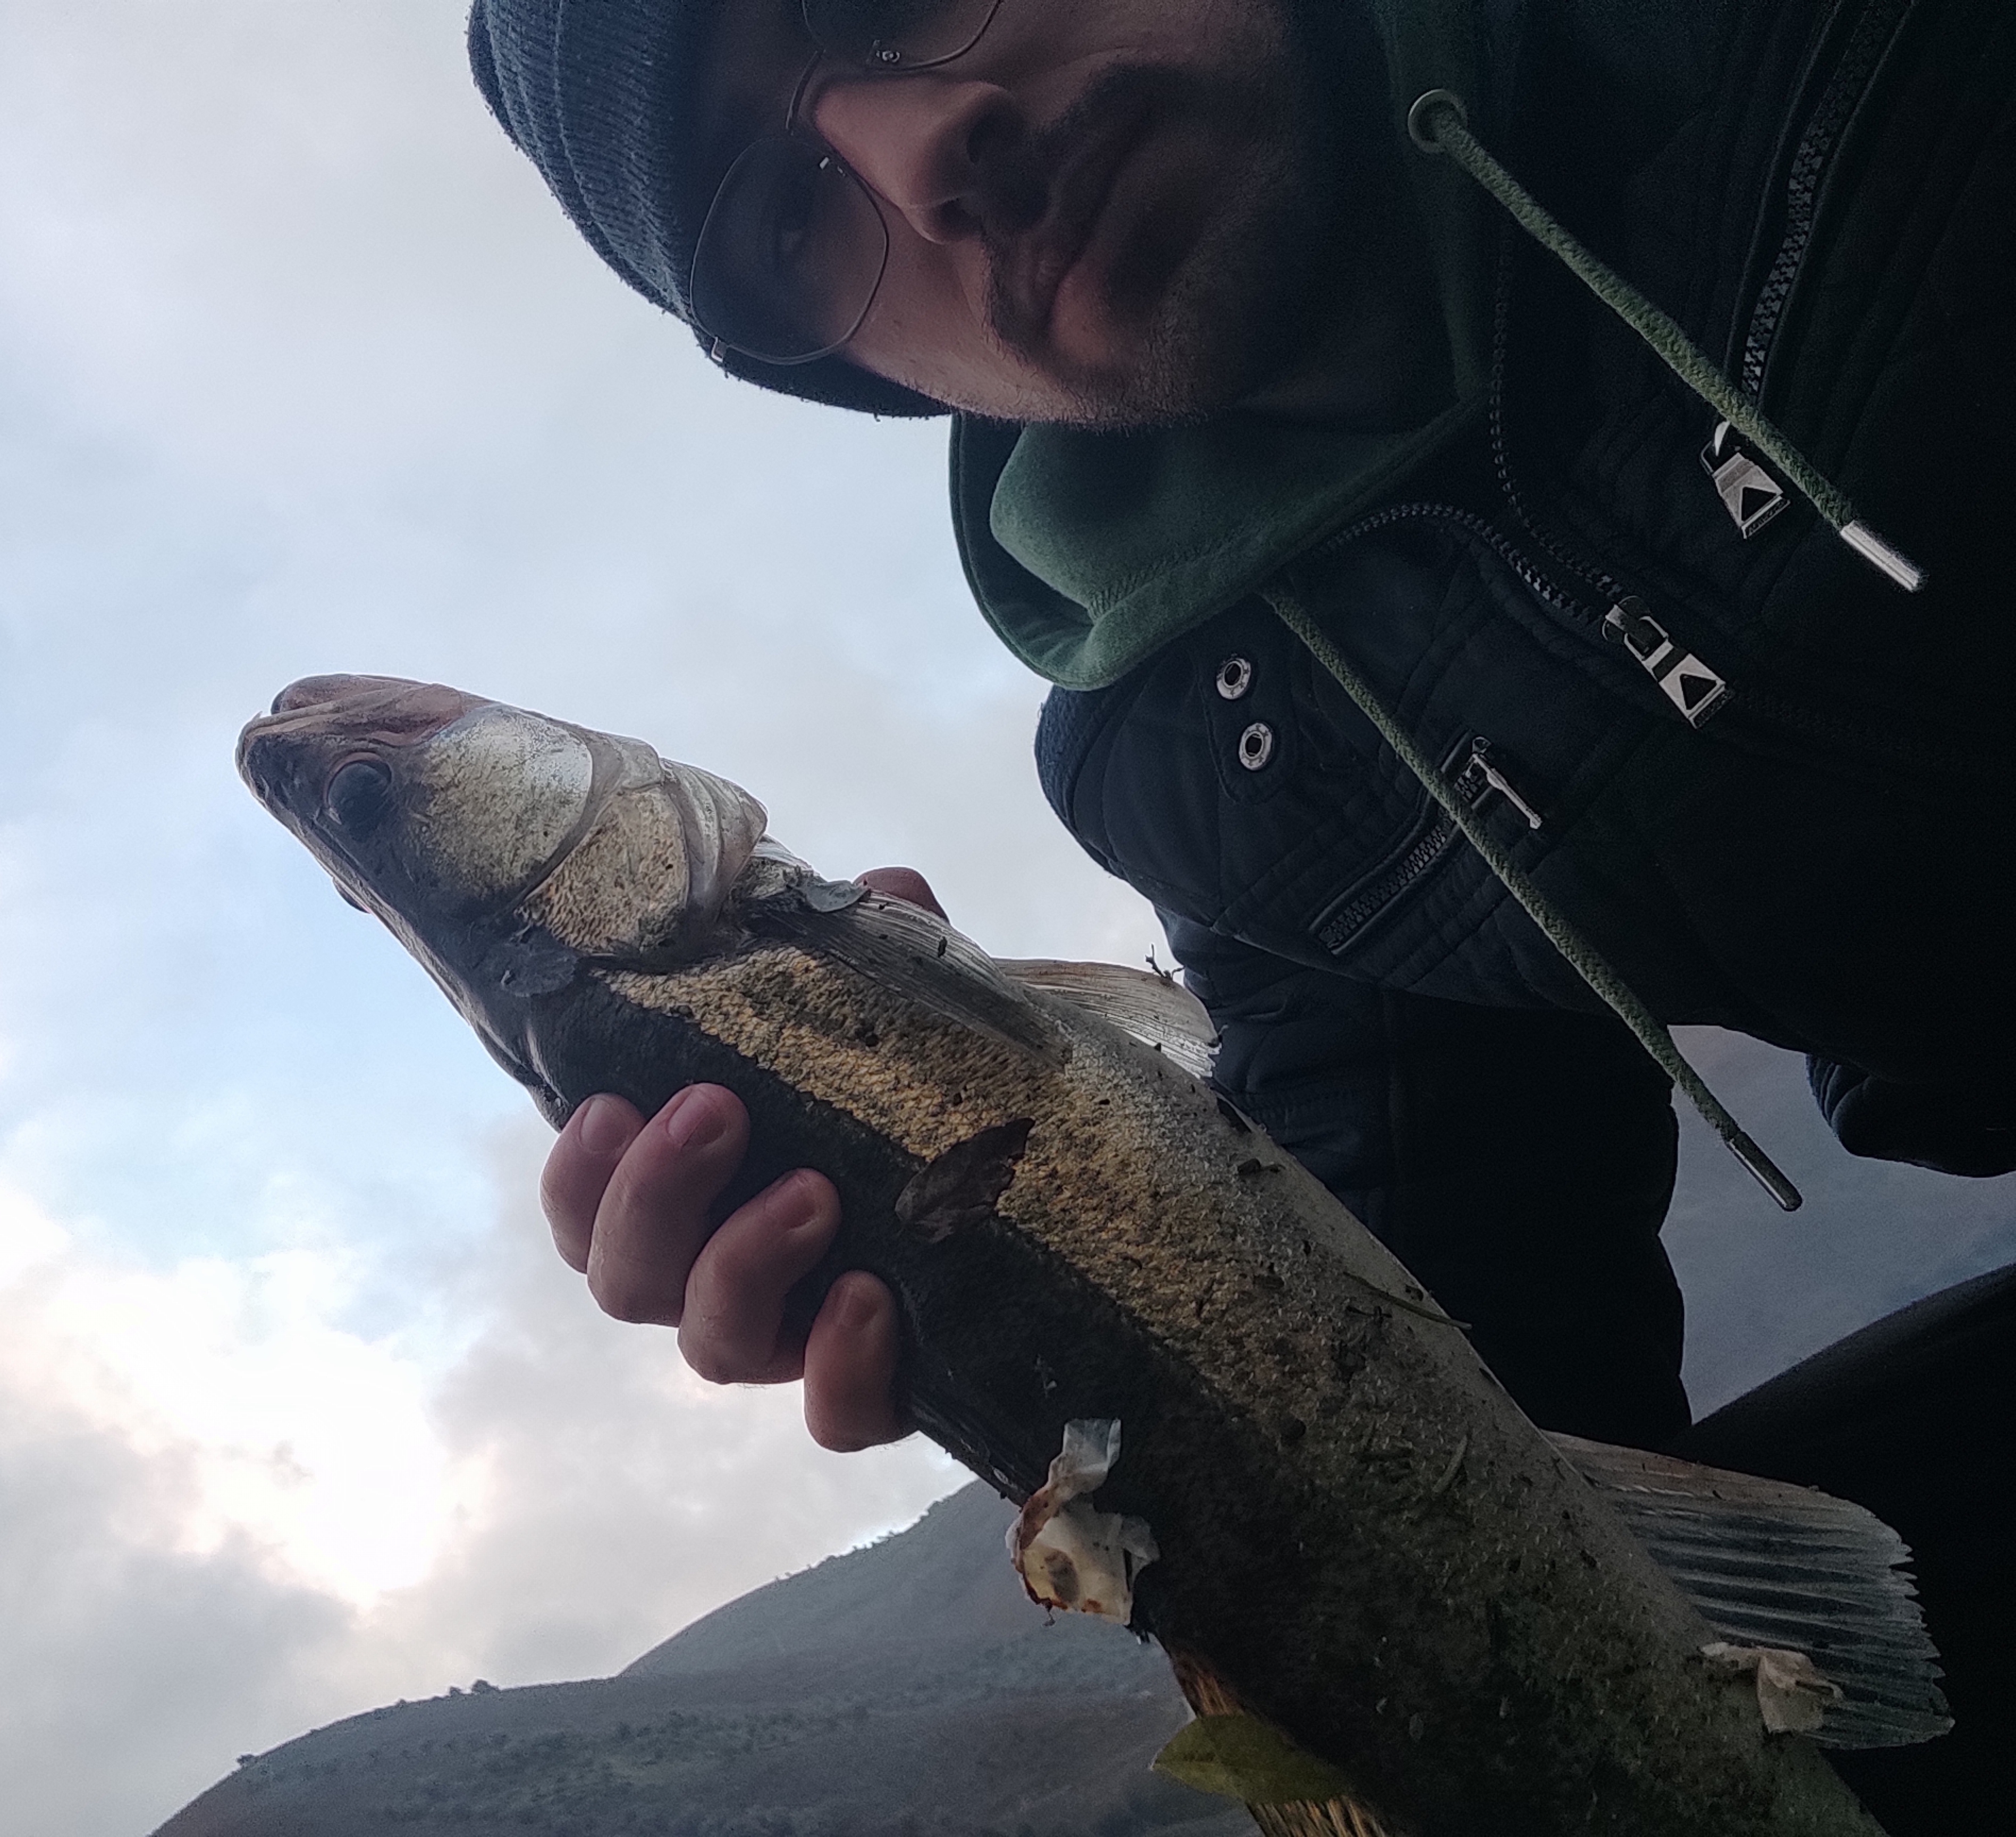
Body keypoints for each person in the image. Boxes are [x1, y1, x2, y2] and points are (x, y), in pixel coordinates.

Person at [468, 0, 2013, 1819]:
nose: (919, 149)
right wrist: (1017, 1294)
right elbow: (1489, 1367)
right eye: (790, 218)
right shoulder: (1210, 727)